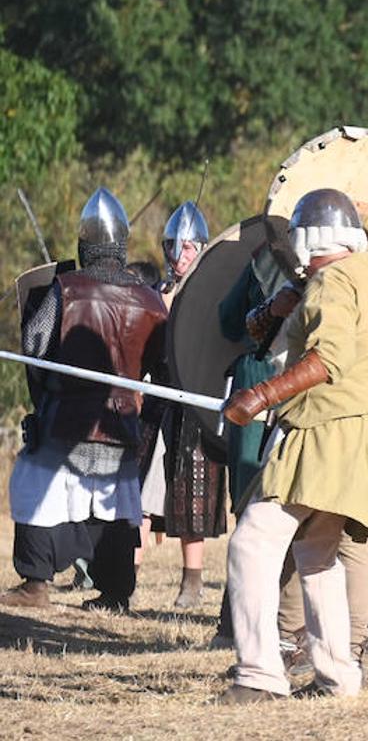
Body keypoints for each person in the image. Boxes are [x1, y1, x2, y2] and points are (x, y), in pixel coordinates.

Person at [216, 189, 368, 702]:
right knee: (317, 556)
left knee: (253, 544)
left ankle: (259, 675)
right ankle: (338, 677)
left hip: (323, 435)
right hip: (365, 435)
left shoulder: (331, 284)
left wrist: (259, 396)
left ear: (305, 239)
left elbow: (329, 359)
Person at [2, 189, 166, 613]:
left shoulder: (65, 290)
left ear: (85, 243)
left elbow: (36, 350)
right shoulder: (151, 300)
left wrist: (44, 396)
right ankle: (115, 592)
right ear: (121, 242)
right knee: (115, 504)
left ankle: (36, 584)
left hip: (67, 419)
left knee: (35, 489)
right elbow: (160, 365)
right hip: (123, 420)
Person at [138, 201, 223, 609]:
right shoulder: (155, 293)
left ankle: (192, 582)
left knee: (193, 493)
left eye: (188, 247)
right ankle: (126, 577)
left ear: (202, 249)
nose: (179, 255)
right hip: (158, 401)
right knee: (137, 492)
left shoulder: (212, 295)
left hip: (196, 404)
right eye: (174, 246)